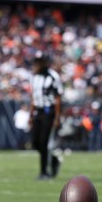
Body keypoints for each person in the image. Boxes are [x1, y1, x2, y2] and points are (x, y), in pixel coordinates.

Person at [29, 50, 63, 180]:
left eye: (39, 62)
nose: (36, 65)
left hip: (49, 112)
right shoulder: (34, 77)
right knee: (35, 142)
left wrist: (57, 117)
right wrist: (31, 115)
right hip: (38, 111)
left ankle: (44, 172)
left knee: (43, 142)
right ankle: (54, 160)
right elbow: (33, 97)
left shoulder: (53, 76)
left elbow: (58, 98)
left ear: (44, 63)